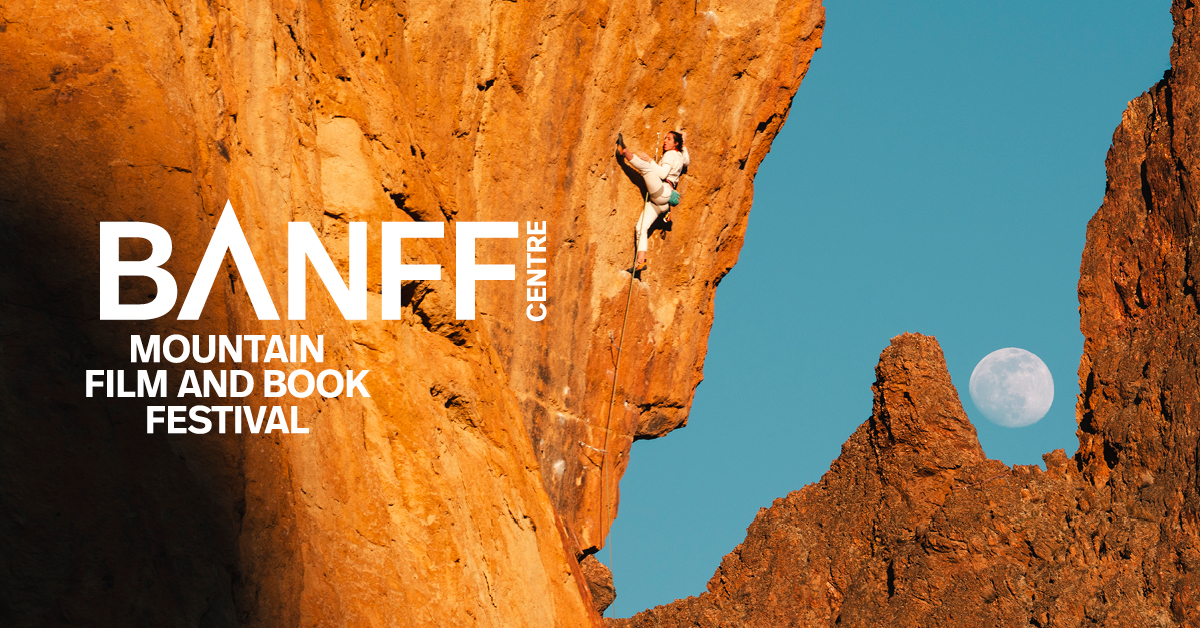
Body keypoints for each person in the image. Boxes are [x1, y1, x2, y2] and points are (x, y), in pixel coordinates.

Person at [617, 131, 690, 271]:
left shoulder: (670, 154)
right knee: (641, 227)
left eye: (669, 139)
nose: (665, 141)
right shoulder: (681, 156)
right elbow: (687, 161)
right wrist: (684, 144)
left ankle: (624, 151)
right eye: (665, 138)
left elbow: (662, 173)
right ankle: (641, 262)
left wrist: (650, 160)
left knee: (646, 168)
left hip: (663, 191)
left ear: (676, 143)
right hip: (661, 202)